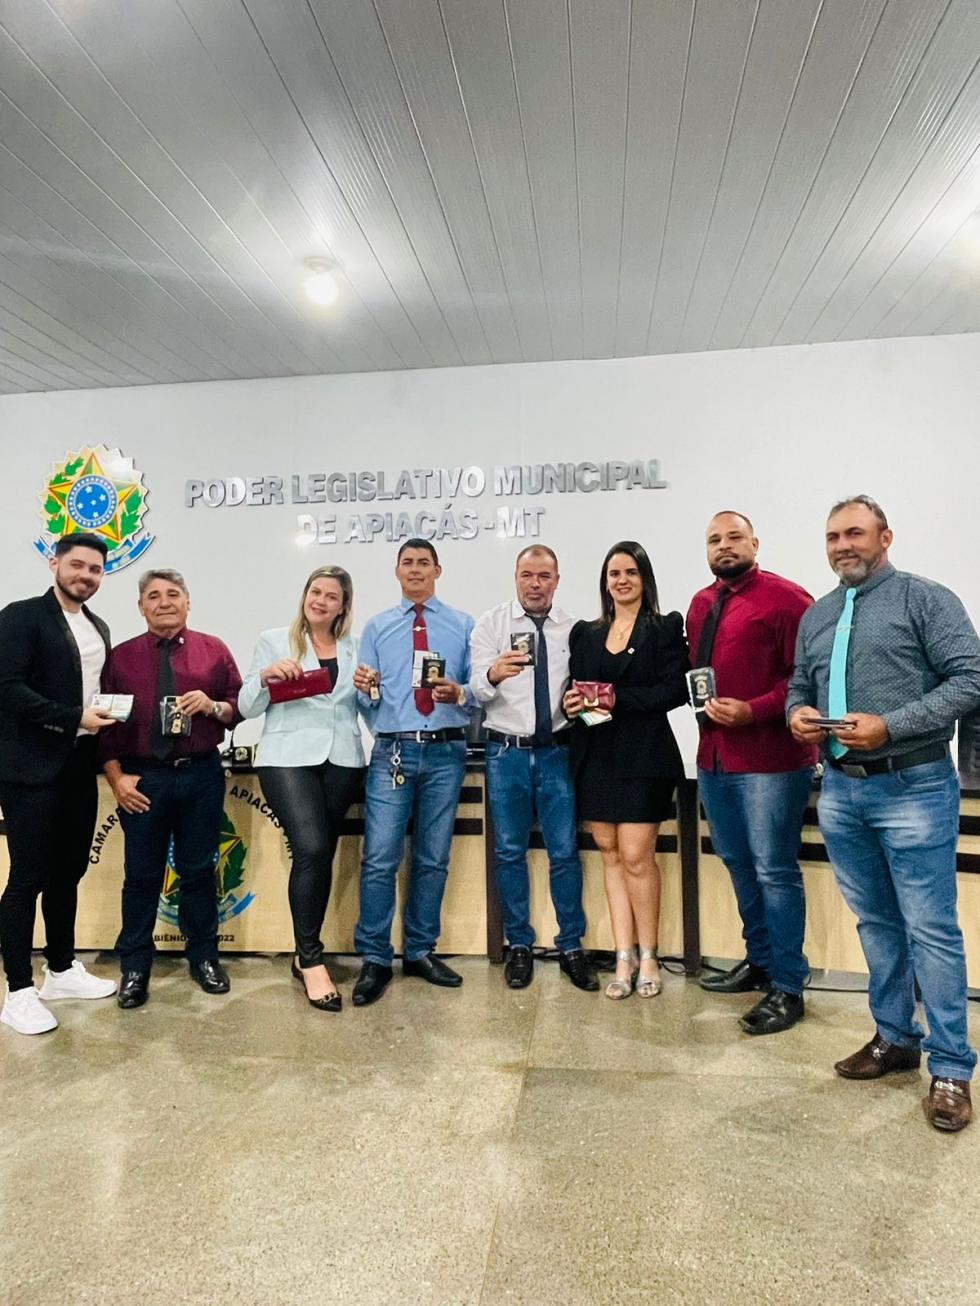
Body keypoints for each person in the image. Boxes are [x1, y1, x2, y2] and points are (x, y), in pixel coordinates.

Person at [788, 495, 980, 1132]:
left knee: (930, 929)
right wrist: (796, 714)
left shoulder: (926, 599)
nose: (843, 545)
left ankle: (950, 1067)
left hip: (913, 786)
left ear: (885, 537)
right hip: (842, 792)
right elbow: (800, 684)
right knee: (876, 923)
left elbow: (970, 679)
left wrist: (890, 725)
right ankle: (895, 1038)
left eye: (855, 533)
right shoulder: (818, 614)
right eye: (833, 536)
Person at [687, 512, 817, 1035]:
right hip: (714, 759)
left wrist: (753, 710)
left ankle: (788, 986)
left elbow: (807, 678)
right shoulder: (700, 604)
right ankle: (760, 961)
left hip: (771, 762)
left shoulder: (788, 599)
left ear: (755, 543)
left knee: (775, 871)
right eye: (714, 539)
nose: (724, 545)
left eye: (734, 537)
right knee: (739, 863)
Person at [100, 569, 242, 1009]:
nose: (164, 602)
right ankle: (135, 967)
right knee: (141, 876)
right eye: (154, 596)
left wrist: (213, 706)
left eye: (173, 594)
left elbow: (238, 707)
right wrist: (116, 778)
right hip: (144, 779)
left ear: (188, 602)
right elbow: (105, 726)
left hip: (200, 775)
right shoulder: (120, 658)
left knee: (198, 870)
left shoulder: (213, 650)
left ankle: (204, 958)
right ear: (141, 607)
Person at [0, 535, 118, 1035]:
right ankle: (17, 991)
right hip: (28, 767)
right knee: (27, 877)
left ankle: (62, 969)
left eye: (95, 569)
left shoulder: (98, 626)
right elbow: (7, 688)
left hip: (78, 766)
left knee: (68, 871)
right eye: (77, 565)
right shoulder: (21, 616)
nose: (85, 576)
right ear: (55, 564)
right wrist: (74, 717)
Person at [350, 539, 473, 1006]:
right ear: (397, 571)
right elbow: (367, 699)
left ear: (438, 570)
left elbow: (477, 693)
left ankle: (420, 950)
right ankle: (375, 958)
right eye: (408, 563)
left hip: (446, 752)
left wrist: (459, 692)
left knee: (433, 857)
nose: (416, 569)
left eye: (424, 563)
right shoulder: (377, 627)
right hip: (393, 751)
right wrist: (367, 692)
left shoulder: (464, 625)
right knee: (380, 857)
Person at [564, 541, 688, 1000]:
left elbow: (675, 690)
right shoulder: (586, 633)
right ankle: (623, 956)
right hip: (595, 756)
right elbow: (577, 689)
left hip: (645, 758)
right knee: (610, 854)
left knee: (637, 857)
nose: (622, 580)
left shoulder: (665, 627)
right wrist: (571, 703)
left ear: (644, 578)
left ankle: (650, 956)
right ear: (605, 582)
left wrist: (619, 699)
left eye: (631, 572)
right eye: (614, 573)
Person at [470, 545, 597, 992]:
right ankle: (519, 944)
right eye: (527, 575)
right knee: (509, 852)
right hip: (505, 753)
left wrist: (580, 704)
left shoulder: (575, 629)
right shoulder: (491, 624)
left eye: (544, 576)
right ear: (516, 578)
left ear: (557, 580)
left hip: (557, 752)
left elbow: (585, 692)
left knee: (564, 853)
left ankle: (571, 946)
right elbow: (475, 690)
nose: (535, 584)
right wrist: (493, 675)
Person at [239, 566, 366, 1012]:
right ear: (304, 595)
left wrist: (373, 691)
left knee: (321, 853)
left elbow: (363, 707)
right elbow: (246, 707)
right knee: (310, 848)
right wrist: (266, 677)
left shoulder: (355, 648)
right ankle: (311, 960)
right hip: (286, 757)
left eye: (332, 596)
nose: (321, 601)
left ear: (343, 606)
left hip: (343, 758)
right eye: (315, 591)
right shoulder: (274, 640)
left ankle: (303, 954)